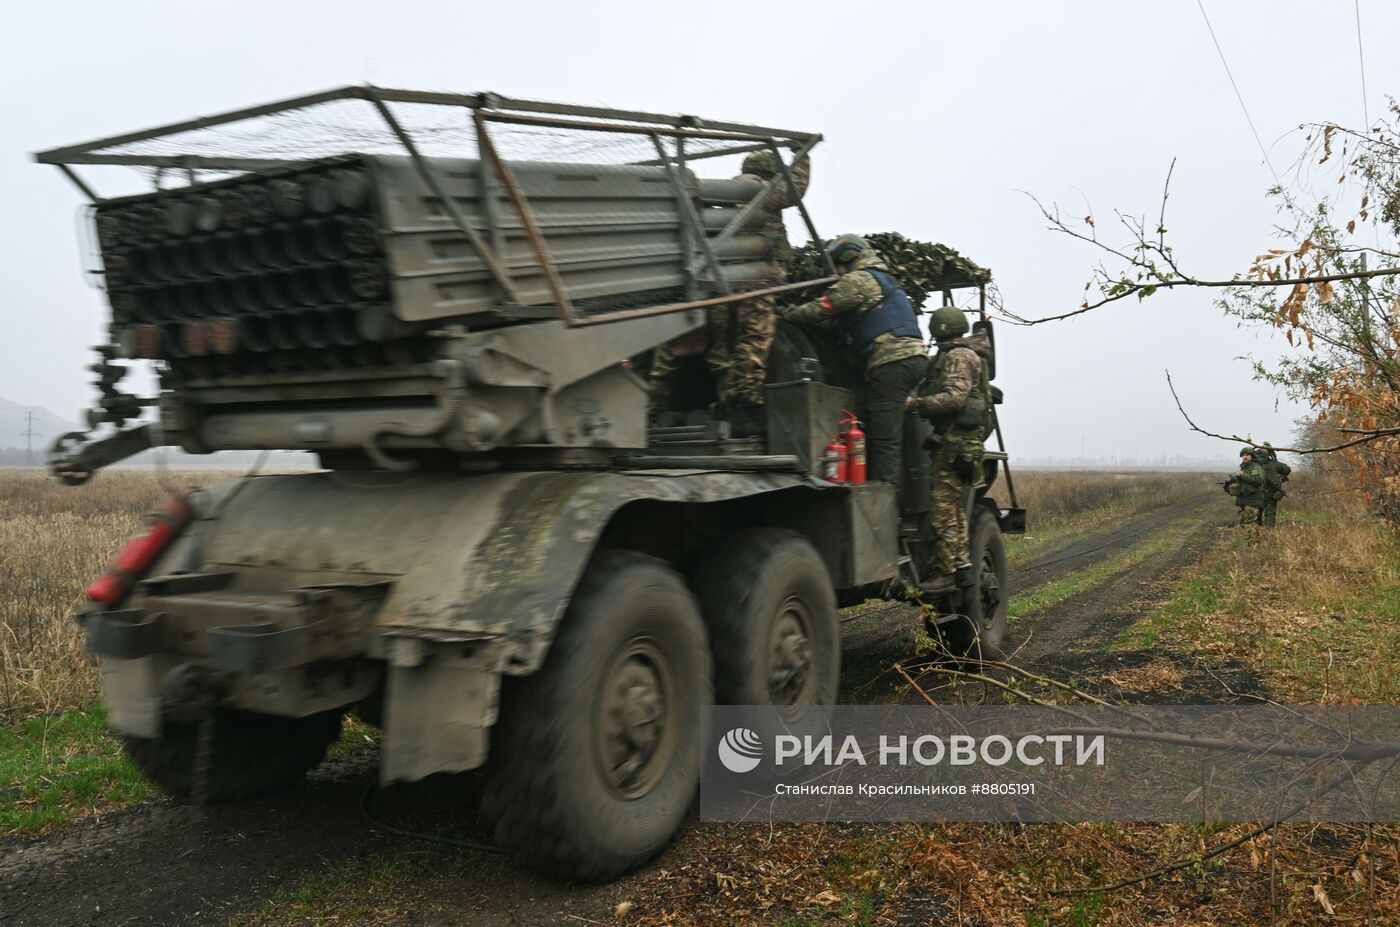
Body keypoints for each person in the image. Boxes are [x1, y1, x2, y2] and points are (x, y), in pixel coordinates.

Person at [650, 149, 811, 436]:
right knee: (752, 342)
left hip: (721, 285)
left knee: (721, 349)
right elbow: (796, 188)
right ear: (770, 172)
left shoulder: (722, 195)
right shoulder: (764, 190)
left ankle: (682, 404)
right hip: (756, 281)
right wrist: (803, 154)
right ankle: (742, 406)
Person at [778, 234, 927, 485]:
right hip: (903, 361)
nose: (837, 270)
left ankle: (884, 496)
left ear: (848, 257)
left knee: (884, 437)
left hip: (893, 363)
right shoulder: (884, 280)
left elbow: (823, 308)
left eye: (837, 264)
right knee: (870, 422)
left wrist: (786, 314)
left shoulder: (860, 280)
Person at [905, 306, 994, 591]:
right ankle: (963, 569)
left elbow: (954, 399)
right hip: (957, 443)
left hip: (956, 446)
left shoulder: (958, 356)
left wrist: (916, 404)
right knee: (954, 509)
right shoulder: (961, 354)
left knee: (943, 509)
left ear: (939, 330)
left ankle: (947, 571)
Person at [1254, 443, 1291, 527]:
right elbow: (1287, 469)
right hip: (1272, 493)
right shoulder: (1273, 463)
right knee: (1270, 514)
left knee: (1256, 514)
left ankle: (1256, 531)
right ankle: (1269, 533)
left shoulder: (1252, 464)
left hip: (1256, 494)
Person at [1234, 447, 1266, 534]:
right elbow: (1243, 482)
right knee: (1245, 524)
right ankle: (1256, 544)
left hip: (1253, 501)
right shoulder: (1244, 467)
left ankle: (1254, 545)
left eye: (1247, 455)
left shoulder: (1256, 467)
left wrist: (1242, 475)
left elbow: (1257, 481)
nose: (1245, 457)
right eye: (1243, 455)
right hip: (1244, 500)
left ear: (1252, 456)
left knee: (1250, 525)